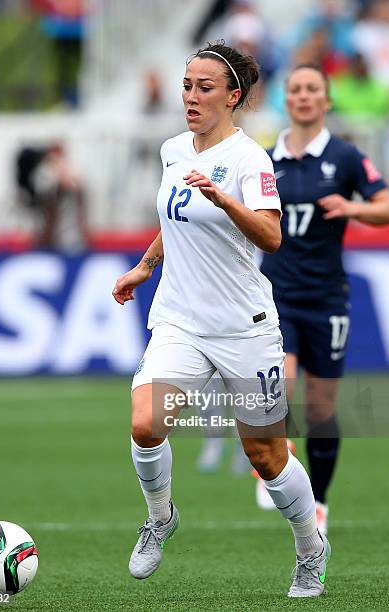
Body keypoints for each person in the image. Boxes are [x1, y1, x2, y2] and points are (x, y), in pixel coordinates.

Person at [113, 42, 331, 598]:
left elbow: (272, 236)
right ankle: (160, 517)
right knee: (145, 421)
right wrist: (144, 266)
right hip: (180, 320)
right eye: (187, 85)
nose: (191, 97)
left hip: (244, 326)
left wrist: (224, 199)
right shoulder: (171, 150)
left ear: (233, 96)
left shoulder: (250, 159)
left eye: (204, 88)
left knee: (267, 455)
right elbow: (176, 217)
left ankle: (310, 547)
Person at [259, 63, 389, 533]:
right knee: (284, 383)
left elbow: (388, 209)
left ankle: (318, 501)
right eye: (294, 89)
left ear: (326, 100)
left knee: (320, 409)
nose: (302, 96)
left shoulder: (344, 158)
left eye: (311, 89)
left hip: (326, 297)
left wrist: (351, 206)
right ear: (287, 99)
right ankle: (279, 454)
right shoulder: (263, 160)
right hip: (275, 293)